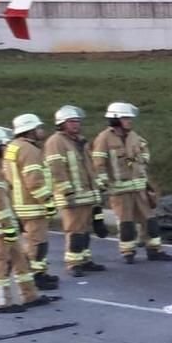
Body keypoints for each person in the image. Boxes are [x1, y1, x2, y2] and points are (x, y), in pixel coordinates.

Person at [0, 126, 44, 316]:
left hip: (3, 223)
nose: (6, 148)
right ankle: (2, 302)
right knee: (1, 262)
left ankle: (30, 296)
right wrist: (8, 226)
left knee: (20, 260)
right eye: (4, 145)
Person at [92, 101, 170, 262]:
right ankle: (128, 252)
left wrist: (142, 162)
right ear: (115, 119)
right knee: (126, 224)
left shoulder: (134, 136)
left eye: (129, 118)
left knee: (150, 220)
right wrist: (104, 182)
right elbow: (98, 163)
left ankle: (154, 249)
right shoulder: (104, 138)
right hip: (120, 190)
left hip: (139, 188)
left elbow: (144, 149)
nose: (129, 121)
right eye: (126, 118)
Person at [43, 104, 105, 276]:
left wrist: (97, 186)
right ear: (61, 123)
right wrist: (66, 190)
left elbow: (89, 167)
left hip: (85, 194)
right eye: (71, 122)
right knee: (74, 230)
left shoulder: (80, 141)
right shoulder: (55, 142)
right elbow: (56, 168)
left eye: (77, 121)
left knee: (84, 229)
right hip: (71, 196)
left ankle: (85, 259)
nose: (76, 125)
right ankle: (73, 263)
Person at [3, 111, 59, 290]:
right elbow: (34, 180)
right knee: (38, 243)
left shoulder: (13, 147)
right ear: (29, 130)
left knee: (33, 242)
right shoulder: (29, 150)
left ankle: (38, 273)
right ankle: (34, 277)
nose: (41, 131)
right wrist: (47, 201)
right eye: (38, 128)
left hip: (20, 204)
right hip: (33, 206)